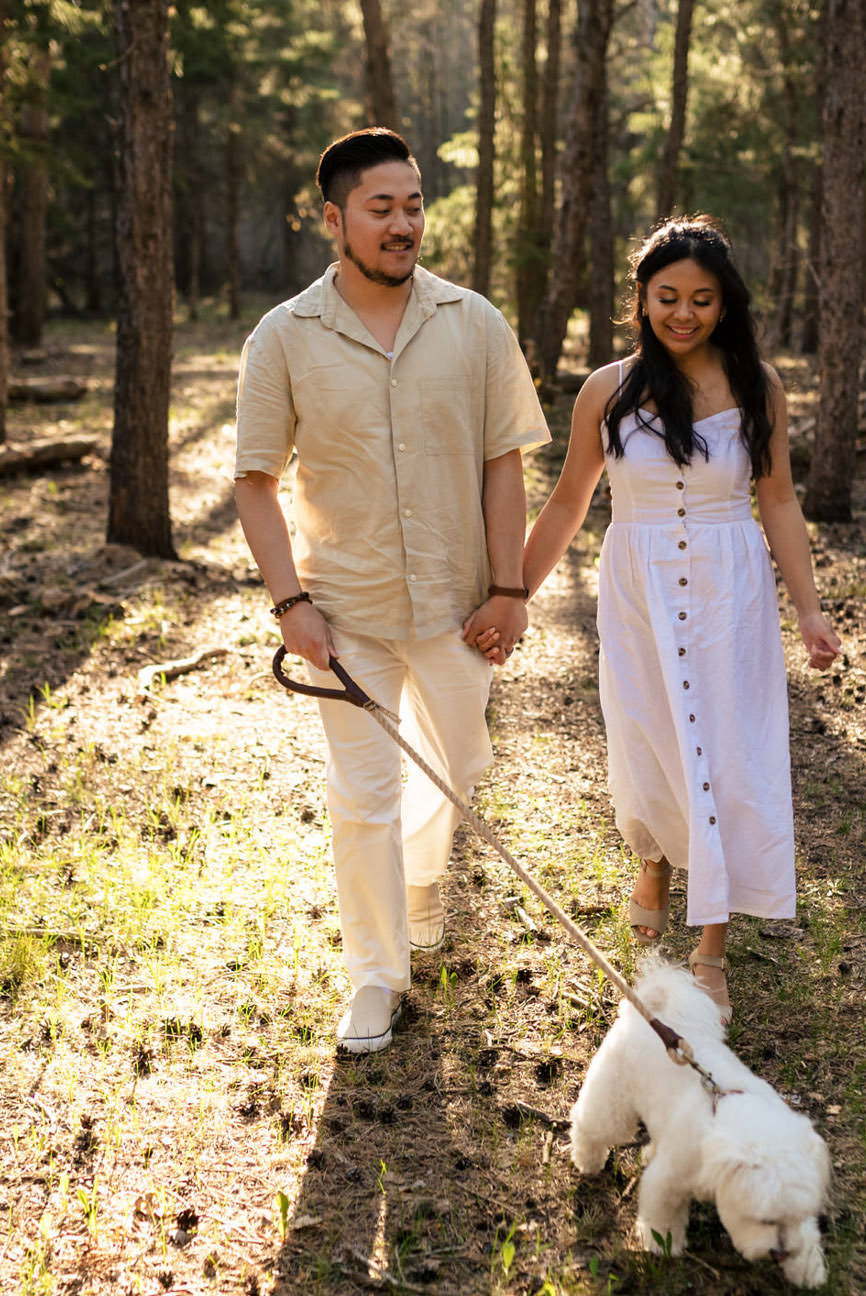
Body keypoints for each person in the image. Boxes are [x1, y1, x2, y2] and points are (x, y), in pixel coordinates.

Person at [234, 128, 551, 1055]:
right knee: (361, 795)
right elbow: (254, 480)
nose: (404, 223)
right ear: (334, 219)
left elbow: (504, 462)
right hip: (348, 611)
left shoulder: (475, 322)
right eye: (382, 208)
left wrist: (509, 588)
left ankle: (420, 881)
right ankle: (375, 975)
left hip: (461, 606)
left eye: (414, 205)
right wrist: (292, 603)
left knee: (457, 768)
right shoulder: (284, 337)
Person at [519, 216, 840, 1024]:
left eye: (702, 299)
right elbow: (567, 502)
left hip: (731, 589)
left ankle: (711, 948)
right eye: (668, 297)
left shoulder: (759, 386)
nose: (684, 314)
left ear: (725, 304)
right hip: (640, 586)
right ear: (642, 299)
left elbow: (779, 500)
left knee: (729, 754)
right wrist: (511, 592)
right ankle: (655, 857)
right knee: (649, 737)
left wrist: (809, 609)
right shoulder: (609, 388)